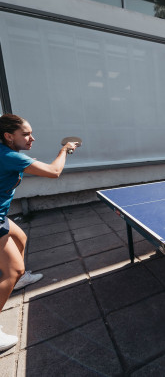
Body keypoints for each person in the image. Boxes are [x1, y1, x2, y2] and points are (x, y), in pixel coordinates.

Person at [0, 113, 78, 352]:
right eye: (25, 134)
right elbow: (54, 172)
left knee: (20, 237)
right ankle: (15, 277)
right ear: (8, 136)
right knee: (13, 269)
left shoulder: (6, 153)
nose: (31, 138)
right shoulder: (10, 156)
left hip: (1, 215)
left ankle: (18, 281)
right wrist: (65, 149)